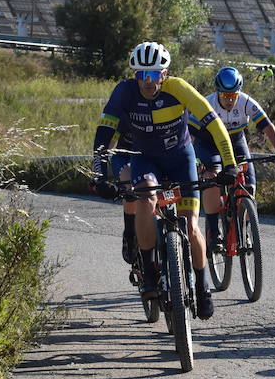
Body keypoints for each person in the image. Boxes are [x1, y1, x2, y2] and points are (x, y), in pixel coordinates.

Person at [91, 42, 239, 319]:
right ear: (134, 74)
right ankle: (149, 271)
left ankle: (202, 286)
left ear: (165, 73)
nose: (148, 81)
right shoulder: (124, 91)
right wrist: (98, 174)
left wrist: (229, 163)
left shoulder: (179, 88)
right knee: (145, 198)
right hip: (144, 158)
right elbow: (103, 133)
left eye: (154, 74)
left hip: (181, 158)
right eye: (141, 75)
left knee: (192, 225)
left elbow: (214, 123)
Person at [188, 66, 275, 251]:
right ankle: (214, 232)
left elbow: (268, 127)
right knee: (212, 180)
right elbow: (189, 134)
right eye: (225, 95)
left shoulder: (246, 102)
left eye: (233, 95)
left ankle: (243, 225)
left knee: (249, 185)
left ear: (239, 92)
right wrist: (192, 158)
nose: (229, 100)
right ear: (217, 92)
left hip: (236, 141)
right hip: (209, 144)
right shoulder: (207, 103)